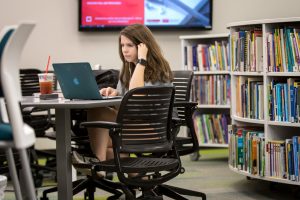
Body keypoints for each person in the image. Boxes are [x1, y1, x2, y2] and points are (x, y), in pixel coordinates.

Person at [86, 24, 173, 162]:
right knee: (97, 114)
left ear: (143, 46)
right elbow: (125, 101)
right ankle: (137, 178)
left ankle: (97, 163)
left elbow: (135, 96)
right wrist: (114, 92)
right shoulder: (129, 70)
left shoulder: (159, 72)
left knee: (99, 141)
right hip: (134, 125)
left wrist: (142, 61)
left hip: (155, 130)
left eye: (130, 45)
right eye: (122, 45)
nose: (124, 50)